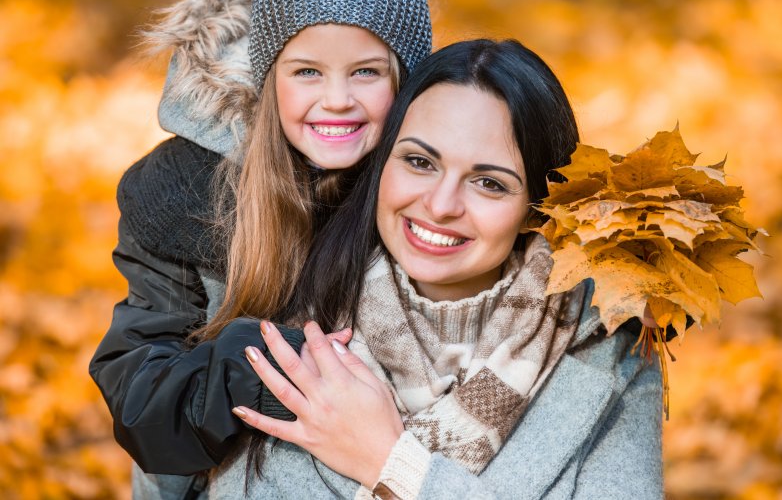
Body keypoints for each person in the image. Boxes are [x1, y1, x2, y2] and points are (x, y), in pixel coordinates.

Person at [221, 39, 664, 499]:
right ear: (381, 166)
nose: (440, 204)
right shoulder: (297, 322)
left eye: (489, 183)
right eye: (419, 161)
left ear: (538, 208)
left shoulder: (608, 345)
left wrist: (392, 464)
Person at [88, 0, 431, 497]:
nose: (337, 99)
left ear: (405, 81)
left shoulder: (435, 185)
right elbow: (142, 407)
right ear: (267, 77)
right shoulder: (187, 190)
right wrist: (249, 366)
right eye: (307, 72)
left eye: (366, 72)